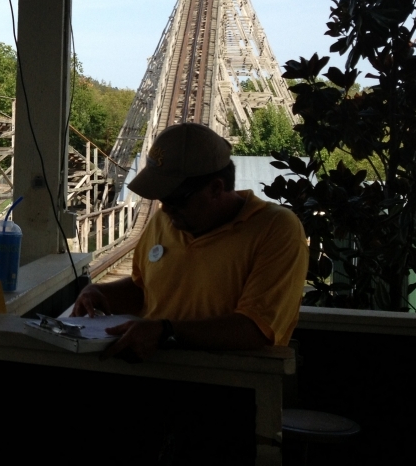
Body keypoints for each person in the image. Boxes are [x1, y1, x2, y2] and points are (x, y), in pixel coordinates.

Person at [72, 121, 308, 361]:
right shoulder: (163, 220)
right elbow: (145, 290)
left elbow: (255, 329)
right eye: (161, 199)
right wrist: (100, 292)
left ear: (216, 188)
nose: (165, 209)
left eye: (175, 199)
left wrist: (167, 331)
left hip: (235, 382)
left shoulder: (276, 229)